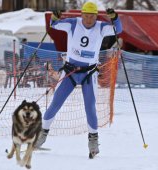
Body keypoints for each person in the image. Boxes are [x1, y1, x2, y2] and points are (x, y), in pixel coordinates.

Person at [35, 1, 122, 158]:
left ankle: (93, 143)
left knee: (90, 107)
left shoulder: (101, 27)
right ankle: (42, 135)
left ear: (96, 16)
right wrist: (54, 16)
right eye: (86, 16)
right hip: (70, 71)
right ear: (81, 15)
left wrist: (115, 18)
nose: (89, 20)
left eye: (92, 17)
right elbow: (53, 25)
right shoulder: (73, 23)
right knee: (56, 103)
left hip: (89, 73)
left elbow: (118, 30)